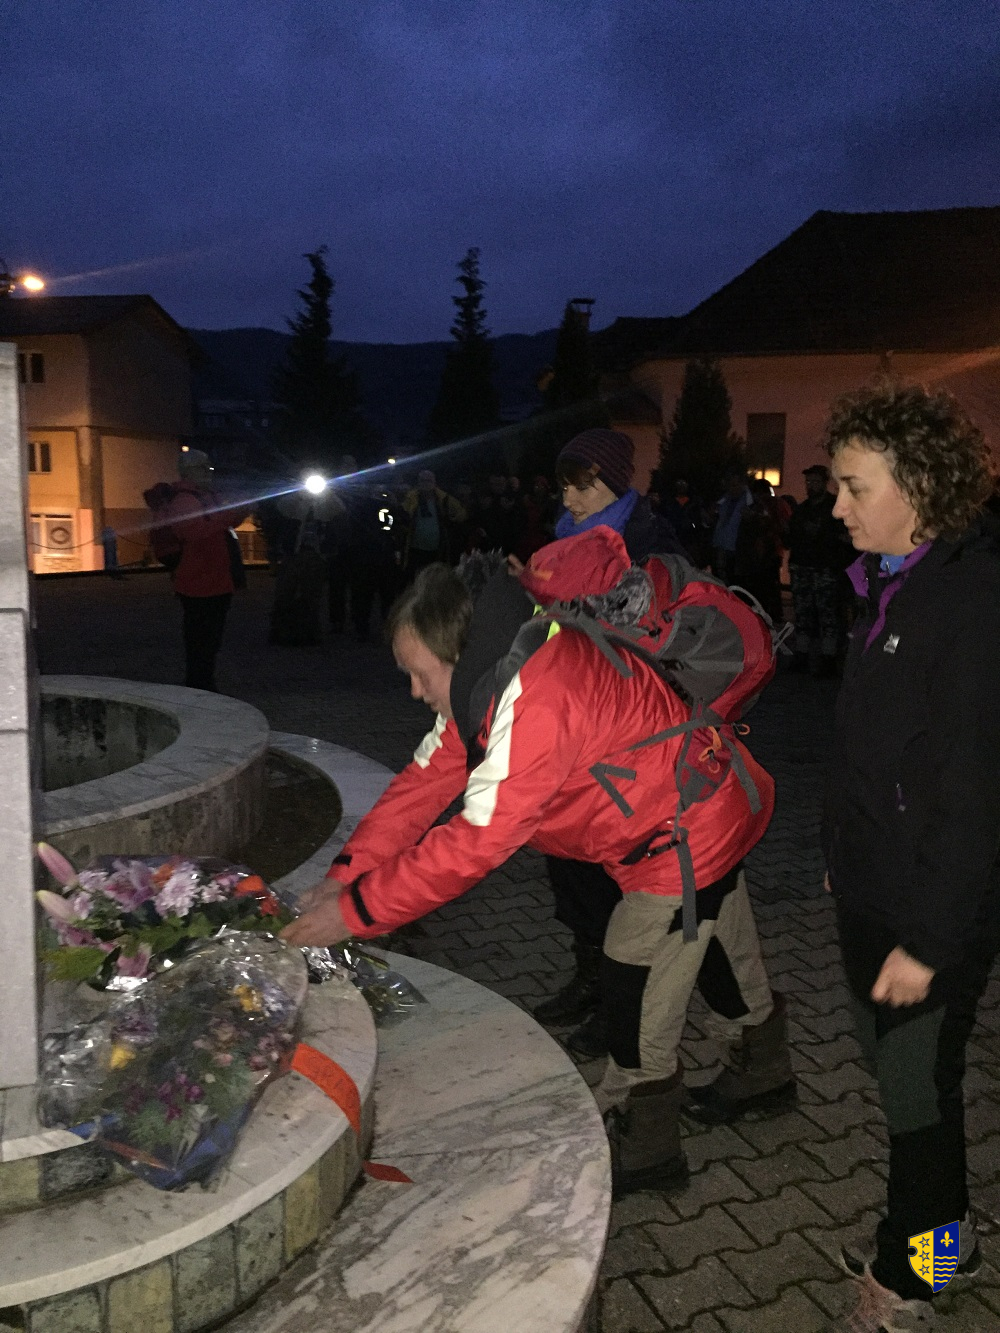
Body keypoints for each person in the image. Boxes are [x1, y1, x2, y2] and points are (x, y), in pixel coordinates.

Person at [283, 552, 794, 1197]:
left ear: (459, 654)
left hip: (683, 838)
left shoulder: (539, 696)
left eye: (419, 674)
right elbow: (423, 782)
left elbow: (475, 841)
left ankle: (646, 1144)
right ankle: (762, 1073)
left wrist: (352, 913)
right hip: (703, 807)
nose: (413, 691)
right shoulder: (501, 670)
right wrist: (347, 874)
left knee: (634, 976)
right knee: (719, 944)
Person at [822, 384, 999, 1330]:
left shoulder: (969, 603)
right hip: (876, 884)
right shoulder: (888, 582)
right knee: (915, 1084)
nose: (836, 505)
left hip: (931, 909)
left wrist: (928, 941)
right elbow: (870, 748)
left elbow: (974, 795)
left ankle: (915, 1273)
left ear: (920, 485)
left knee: (914, 1092)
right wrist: (842, 850)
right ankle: (949, 1240)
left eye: (855, 486)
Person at [157, 450, 248, 691]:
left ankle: (203, 683)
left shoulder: (205, 495)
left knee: (210, 639)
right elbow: (194, 531)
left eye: (209, 467)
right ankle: (199, 686)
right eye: (203, 467)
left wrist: (239, 511)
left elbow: (219, 523)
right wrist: (231, 513)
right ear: (188, 471)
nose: (209, 472)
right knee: (201, 640)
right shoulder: (185, 500)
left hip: (214, 579)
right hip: (198, 582)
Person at [787, 463, 851, 675]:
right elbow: (791, 536)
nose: (811, 485)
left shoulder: (835, 508)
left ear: (824, 483)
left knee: (828, 614)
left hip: (825, 568)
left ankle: (829, 657)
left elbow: (844, 538)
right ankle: (802, 654)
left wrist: (825, 536)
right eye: (808, 482)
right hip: (803, 567)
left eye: (815, 481)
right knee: (803, 613)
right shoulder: (802, 509)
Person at [733, 477, 784, 625]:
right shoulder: (775, 504)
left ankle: (762, 619)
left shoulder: (759, 507)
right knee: (770, 587)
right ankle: (772, 616)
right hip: (771, 553)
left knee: (760, 589)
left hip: (760, 555)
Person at [401, 469, 466, 575]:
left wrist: (453, 518)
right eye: (423, 480)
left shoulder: (443, 498)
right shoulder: (411, 498)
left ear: (434, 482)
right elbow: (403, 513)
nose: (426, 484)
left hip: (438, 547)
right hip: (415, 546)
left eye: (428, 480)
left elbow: (461, 512)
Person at [711, 470, 751, 582]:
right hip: (721, 546)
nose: (732, 488)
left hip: (738, 550)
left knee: (734, 580)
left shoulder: (750, 503)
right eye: (730, 485)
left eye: (734, 485)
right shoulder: (723, 501)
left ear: (742, 484)